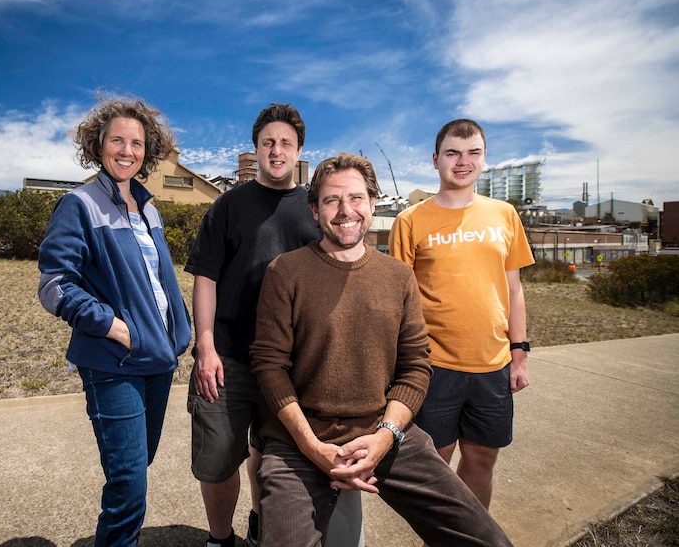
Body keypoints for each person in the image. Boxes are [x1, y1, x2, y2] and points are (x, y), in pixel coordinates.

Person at [251, 153, 513, 547]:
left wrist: (386, 436)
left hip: (384, 435)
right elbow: (269, 366)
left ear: (373, 203)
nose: (345, 211)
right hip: (298, 443)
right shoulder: (285, 272)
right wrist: (311, 446)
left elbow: (415, 366)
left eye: (356, 198)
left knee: (487, 540)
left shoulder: (398, 276)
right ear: (314, 209)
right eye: (331, 200)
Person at [186, 103, 364, 547]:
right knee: (219, 461)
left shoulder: (314, 209)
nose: (276, 150)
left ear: (299, 150)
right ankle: (220, 538)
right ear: (256, 149)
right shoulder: (227, 206)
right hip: (228, 359)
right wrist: (204, 347)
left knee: (271, 457)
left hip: (290, 364)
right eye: (268, 142)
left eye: (286, 143)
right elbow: (205, 279)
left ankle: (262, 526)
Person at [38, 96, 192, 547]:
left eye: (137, 143)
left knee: (134, 471)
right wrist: (113, 327)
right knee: (129, 486)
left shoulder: (149, 209)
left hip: (158, 361)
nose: (127, 151)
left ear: (148, 151)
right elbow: (54, 285)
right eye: (117, 141)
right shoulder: (79, 204)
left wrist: (177, 331)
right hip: (113, 361)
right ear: (98, 144)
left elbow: (157, 283)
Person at [389, 118, 535, 510]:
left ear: (484, 160)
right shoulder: (410, 221)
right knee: (435, 465)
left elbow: (514, 291)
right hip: (434, 366)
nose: (462, 161)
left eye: (473, 153)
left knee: (481, 459)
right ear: (436, 159)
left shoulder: (504, 215)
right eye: (453, 152)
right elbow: (397, 300)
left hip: (492, 364)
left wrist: (518, 353)